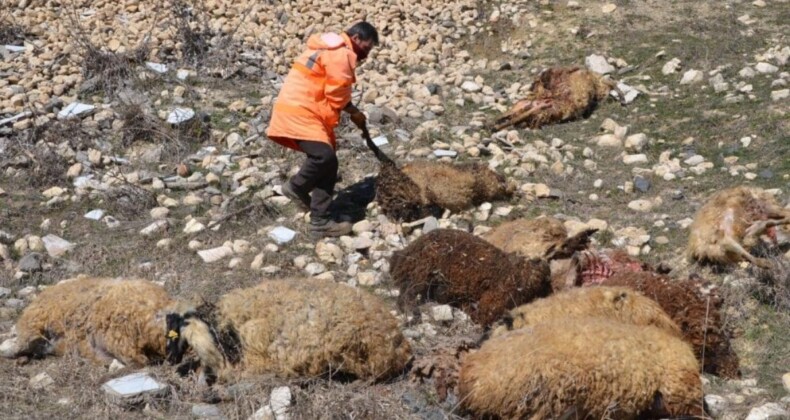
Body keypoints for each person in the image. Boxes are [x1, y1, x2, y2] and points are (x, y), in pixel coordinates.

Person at [266, 21, 378, 239]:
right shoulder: (341, 53)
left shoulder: (328, 48)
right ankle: (296, 187)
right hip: (301, 111)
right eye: (366, 47)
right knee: (323, 157)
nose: (366, 54)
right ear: (356, 38)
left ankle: (320, 221)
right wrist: (354, 112)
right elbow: (337, 92)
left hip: (306, 110)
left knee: (329, 161)